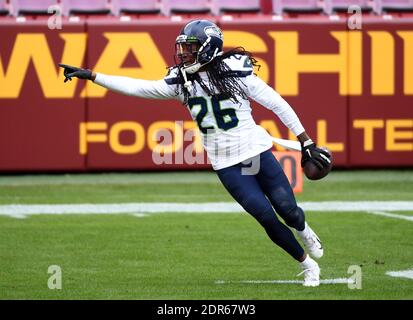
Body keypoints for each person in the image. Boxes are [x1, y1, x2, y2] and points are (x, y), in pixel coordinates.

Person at [59, 19, 331, 287]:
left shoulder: (235, 71)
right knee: (265, 216)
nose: (184, 53)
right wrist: (93, 76)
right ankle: (308, 265)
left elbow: (277, 103)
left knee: (288, 210)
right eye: (183, 47)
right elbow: (138, 88)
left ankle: (305, 231)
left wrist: (305, 140)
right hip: (226, 163)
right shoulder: (182, 81)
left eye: (190, 47)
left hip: (255, 151)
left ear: (208, 47)